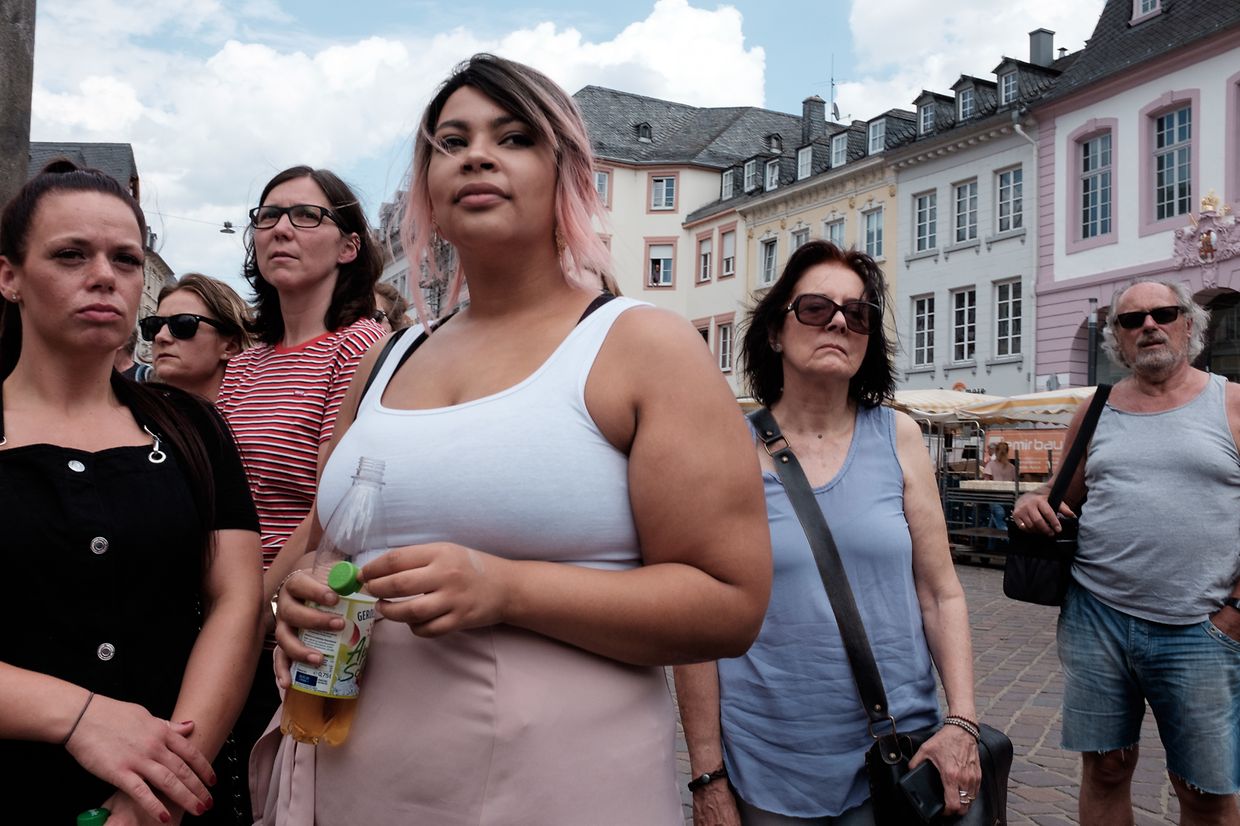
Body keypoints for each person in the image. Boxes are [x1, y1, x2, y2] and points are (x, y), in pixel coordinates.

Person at [253, 53, 772, 825]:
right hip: (354, 773)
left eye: (515, 136)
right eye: (451, 141)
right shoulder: (386, 357)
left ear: (565, 172)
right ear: (428, 184)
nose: (477, 156)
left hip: (552, 786)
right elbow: (331, 543)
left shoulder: (641, 346)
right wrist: (290, 602)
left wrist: (509, 589)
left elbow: (729, 604)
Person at [675, 240, 982, 825]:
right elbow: (698, 630)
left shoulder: (900, 437)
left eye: (858, 313)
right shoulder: (725, 451)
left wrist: (962, 721)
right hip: (772, 761)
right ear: (774, 332)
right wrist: (708, 776)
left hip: (901, 751)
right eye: (815, 308)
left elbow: (942, 593)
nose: (840, 321)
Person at [0, 163, 262, 824]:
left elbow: (235, 597)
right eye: (70, 255)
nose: (103, 276)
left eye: (125, 259)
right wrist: (80, 717)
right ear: (10, 277)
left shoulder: (192, 426)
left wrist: (162, 787)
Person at [1012, 279, 1240, 826]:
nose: (1149, 326)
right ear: (1117, 336)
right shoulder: (1095, 411)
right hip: (1098, 618)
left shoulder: (1231, 403)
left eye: (1163, 313)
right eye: (1132, 320)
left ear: (1190, 323)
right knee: (1107, 769)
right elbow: (1061, 499)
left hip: (1200, 627)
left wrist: (1235, 612)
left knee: (1205, 793)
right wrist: (1031, 501)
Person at [215, 166, 385, 816]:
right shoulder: (249, 362)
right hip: (234, 614)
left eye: (306, 215)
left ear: (348, 245)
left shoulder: (360, 347)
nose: (281, 227)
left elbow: (330, 505)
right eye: (268, 215)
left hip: (297, 621)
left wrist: (253, 605)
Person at [144, 273, 251, 403]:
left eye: (183, 324)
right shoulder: (133, 417)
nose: (160, 336)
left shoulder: (260, 418)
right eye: (154, 325)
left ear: (231, 346)